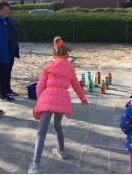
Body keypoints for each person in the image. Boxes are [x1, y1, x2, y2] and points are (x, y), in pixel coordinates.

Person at [28, 37, 88, 174]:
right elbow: (76, 85)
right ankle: (61, 151)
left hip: (47, 99)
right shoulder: (70, 69)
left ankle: (35, 165)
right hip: (62, 100)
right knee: (58, 126)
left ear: (54, 54)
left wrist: (40, 100)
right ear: (67, 54)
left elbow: (39, 86)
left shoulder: (48, 67)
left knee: (41, 133)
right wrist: (82, 97)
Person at [0, 1, 20, 101]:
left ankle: (7, 90)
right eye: (5, 10)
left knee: (8, 71)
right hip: (2, 52)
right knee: (2, 72)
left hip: (10, 50)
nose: (8, 12)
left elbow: (11, 31)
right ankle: (2, 94)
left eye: (8, 10)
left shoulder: (8, 19)